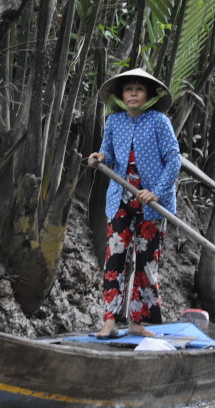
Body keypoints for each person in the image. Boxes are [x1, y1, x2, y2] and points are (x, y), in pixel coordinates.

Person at [89, 68, 181, 338]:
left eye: (139, 89)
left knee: (146, 261)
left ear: (148, 96)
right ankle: (110, 320)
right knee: (115, 257)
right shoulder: (114, 121)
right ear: (121, 95)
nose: (133, 93)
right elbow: (107, 152)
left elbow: (174, 159)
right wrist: (100, 157)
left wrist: (156, 192)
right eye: (128, 89)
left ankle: (138, 322)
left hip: (152, 204)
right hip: (121, 198)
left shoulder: (159, 122)